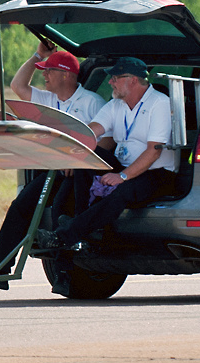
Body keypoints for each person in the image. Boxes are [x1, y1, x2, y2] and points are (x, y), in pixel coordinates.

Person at [0, 43, 104, 287]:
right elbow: (17, 86)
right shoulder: (48, 99)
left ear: (66, 75)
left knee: (60, 210)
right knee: (20, 206)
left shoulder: (92, 102)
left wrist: (78, 159)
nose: (44, 75)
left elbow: (104, 141)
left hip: (82, 173)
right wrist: (38, 56)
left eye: (48, 70)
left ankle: (64, 276)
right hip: (56, 171)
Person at [40, 55, 178, 254]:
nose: (110, 82)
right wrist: (66, 146)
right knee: (87, 154)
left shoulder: (159, 103)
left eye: (115, 77)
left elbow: (154, 152)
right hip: (125, 167)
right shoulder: (116, 104)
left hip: (157, 173)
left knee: (122, 191)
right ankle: (83, 224)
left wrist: (121, 176)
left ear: (133, 80)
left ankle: (65, 236)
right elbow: (90, 132)